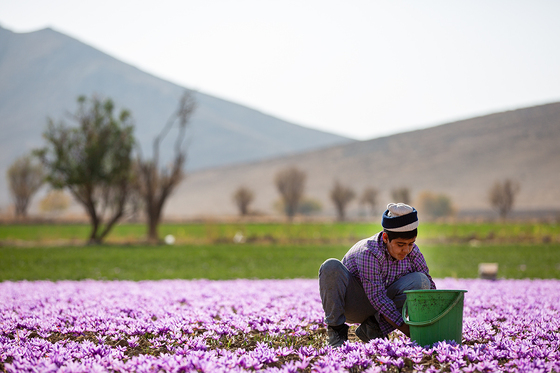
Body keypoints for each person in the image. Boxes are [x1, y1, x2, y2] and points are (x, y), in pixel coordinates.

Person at [319, 202, 436, 347]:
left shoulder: (413, 252)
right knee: (331, 267)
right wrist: (410, 331)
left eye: (411, 243)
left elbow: (430, 287)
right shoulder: (369, 252)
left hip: (378, 311)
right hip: (353, 304)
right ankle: (336, 332)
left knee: (421, 280)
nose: (406, 250)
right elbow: (377, 297)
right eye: (400, 245)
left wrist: (436, 322)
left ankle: (372, 329)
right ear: (386, 238)